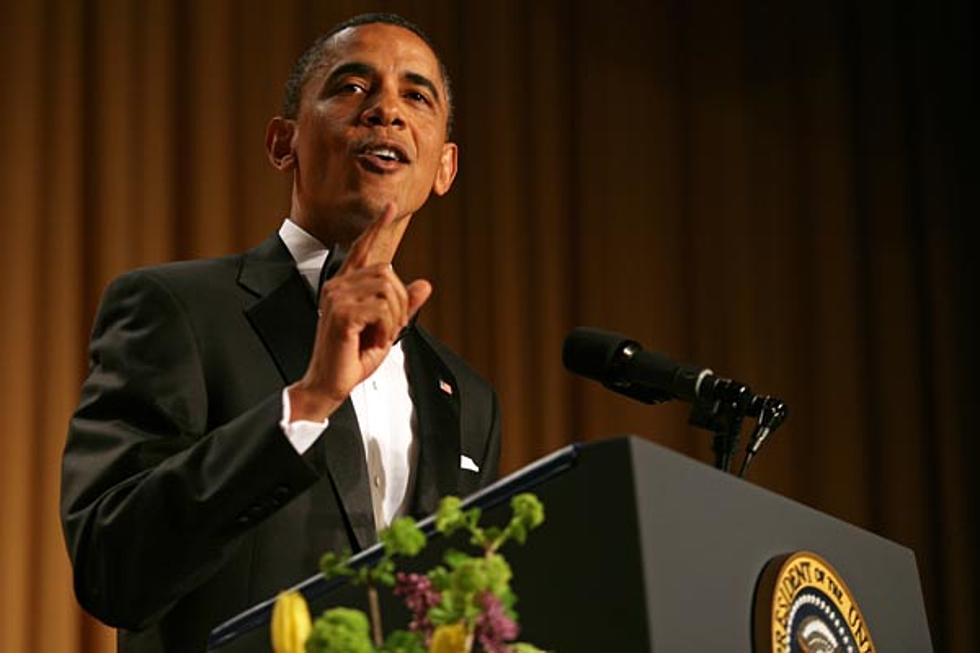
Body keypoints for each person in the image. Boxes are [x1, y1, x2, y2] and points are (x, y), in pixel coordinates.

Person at [60, 13, 501, 652]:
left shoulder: (468, 396)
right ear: (282, 143)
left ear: (445, 168)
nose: (386, 111)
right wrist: (309, 401)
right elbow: (112, 568)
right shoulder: (176, 310)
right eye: (352, 87)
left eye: (416, 95)